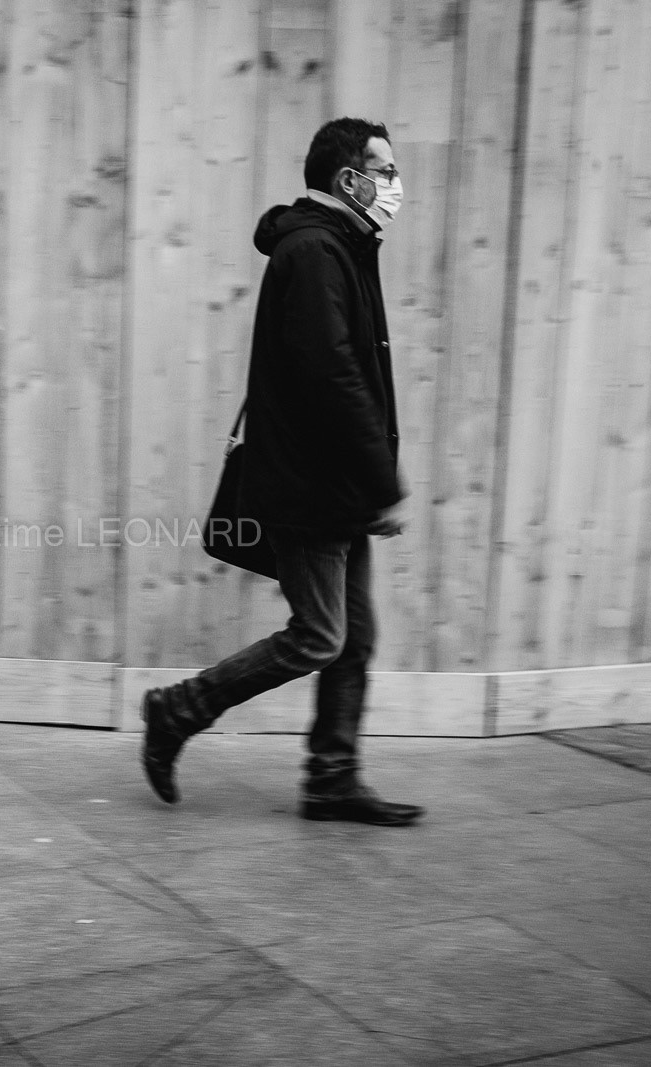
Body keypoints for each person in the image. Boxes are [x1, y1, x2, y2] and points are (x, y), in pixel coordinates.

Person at [141, 117, 423, 827]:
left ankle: (331, 779)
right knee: (321, 635)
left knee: (353, 637)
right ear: (348, 180)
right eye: (385, 171)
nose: (395, 184)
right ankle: (179, 709)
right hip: (314, 485)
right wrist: (383, 482)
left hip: (334, 484)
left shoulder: (341, 245)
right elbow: (334, 377)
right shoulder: (317, 251)